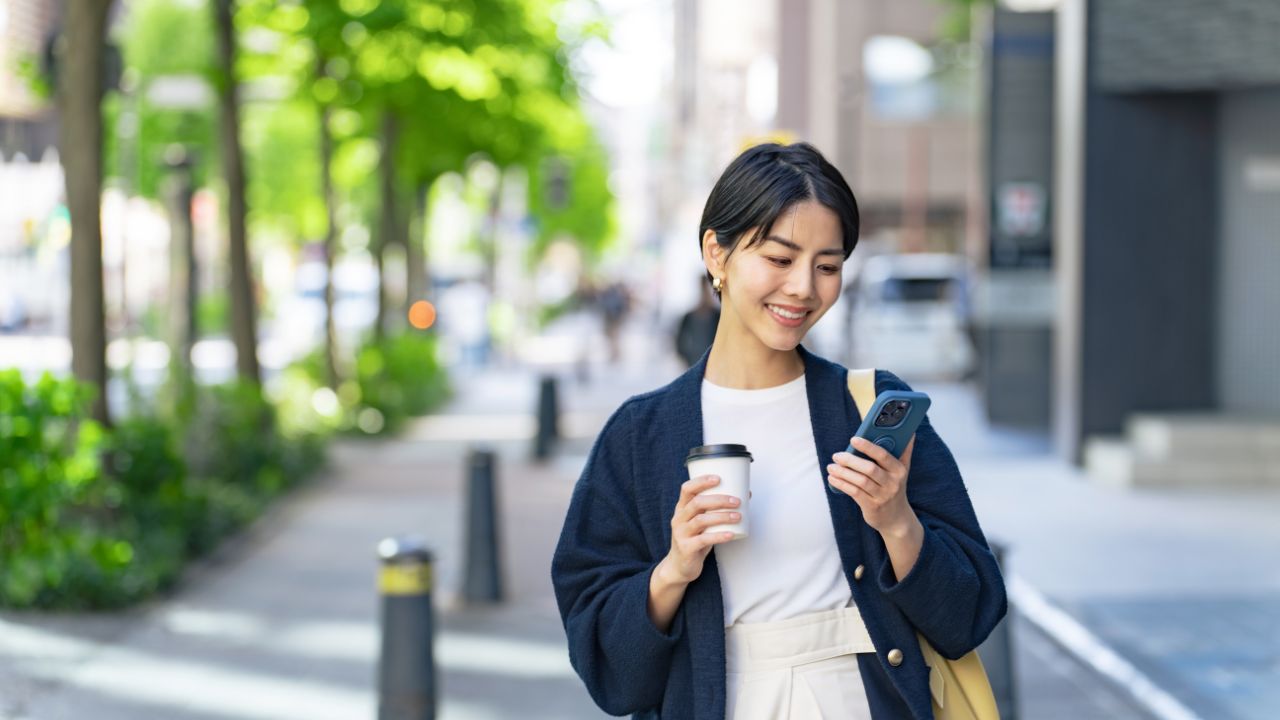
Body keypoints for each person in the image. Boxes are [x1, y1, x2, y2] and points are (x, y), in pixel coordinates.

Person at [550, 142, 1006, 719]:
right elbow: (609, 668)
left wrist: (897, 523)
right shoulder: (641, 435)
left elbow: (971, 612)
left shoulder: (865, 406)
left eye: (827, 266)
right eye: (779, 258)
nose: (803, 289)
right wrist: (674, 569)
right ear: (716, 252)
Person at [674, 276, 720, 368]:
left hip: (714, 364)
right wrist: (686, 357)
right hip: (693, 363)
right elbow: (679, 342)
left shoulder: (717, 316)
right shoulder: (688, 317)